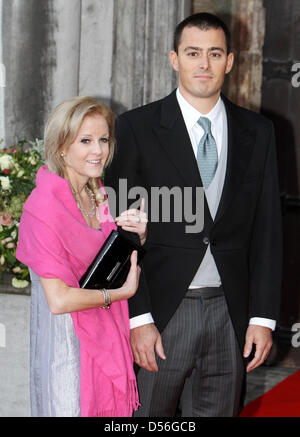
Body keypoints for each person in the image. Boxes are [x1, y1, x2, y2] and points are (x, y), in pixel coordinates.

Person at [104, 12, 282, 417]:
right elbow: (122, 233)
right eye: (193, 53)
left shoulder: (259, 132)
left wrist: (263, 318)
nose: (204, 63)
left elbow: (269, 231)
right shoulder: (135, 128)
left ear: (230, 61)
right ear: (174, 59)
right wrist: (139, 318)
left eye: (214, 53)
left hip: (229, 313)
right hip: (165, 313)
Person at [16, 96, 148, 417]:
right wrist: (120, 294)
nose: (98, 150)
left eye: (103, 139)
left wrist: (137, 238)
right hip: (67, 354)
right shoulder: (43, 205)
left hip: (101, 345)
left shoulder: (96, 192)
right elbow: (59, 300)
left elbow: (103, 262)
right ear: (62, 146)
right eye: (86, 140)